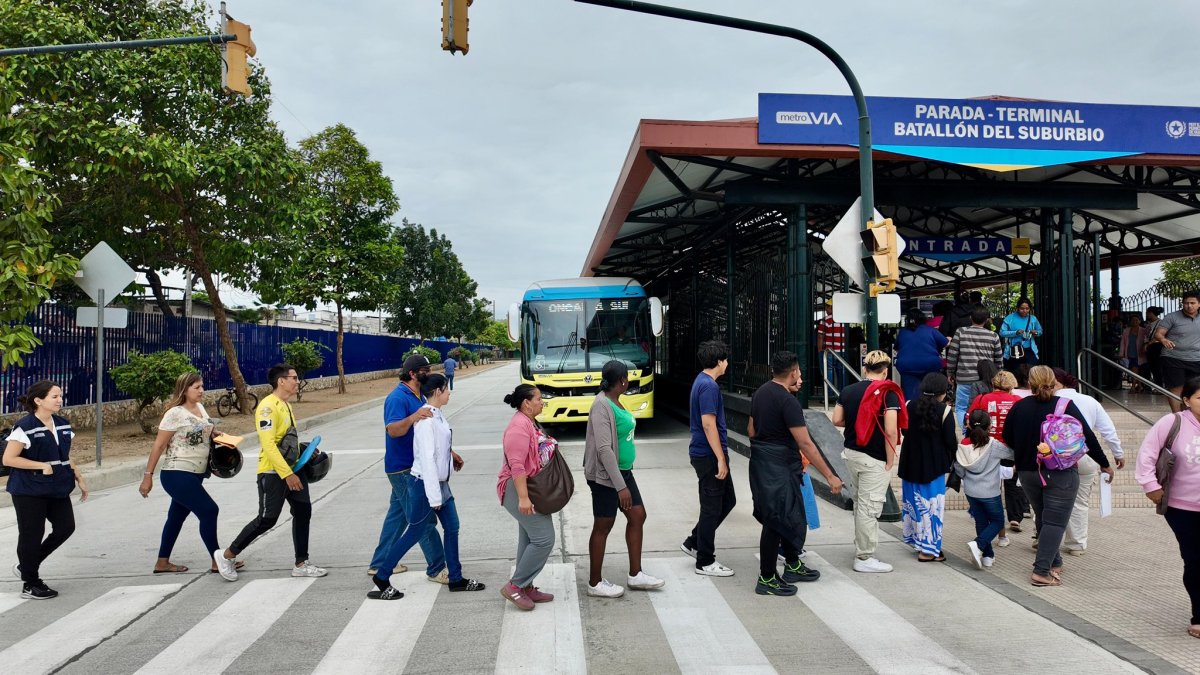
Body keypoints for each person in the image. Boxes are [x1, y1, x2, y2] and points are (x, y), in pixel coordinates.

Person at [369, 374, 483, 599]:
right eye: (447, 390)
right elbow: (428, 460)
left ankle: (456, 578)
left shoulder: (437, 415)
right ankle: (382, 576)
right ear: (438, 391)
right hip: (424, 485)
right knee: (415, 531)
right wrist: (434, 497)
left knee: (452, 527)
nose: (449, 394)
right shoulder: (426, 421)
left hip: (440, 484)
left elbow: (441, 451)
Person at [1002, 366, 1113, 587]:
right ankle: (1041, 571)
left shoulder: (1019, 406)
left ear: (1030, 384)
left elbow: (1007, 436)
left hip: (1029, 472)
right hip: (1060, 472)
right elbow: (1087, 438)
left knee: (1044, 517)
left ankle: (1055, 561)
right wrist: (1105, 464)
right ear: (1054, 383)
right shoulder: (1065, 406)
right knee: (1055, 522)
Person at [747, 351, 844, 596]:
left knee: (790, 515)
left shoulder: (761, 392)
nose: (800, 374)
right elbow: (806, 443)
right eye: (799, 371)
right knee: (775, 521)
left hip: (762, 463)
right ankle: (767, 578)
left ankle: (792, 563)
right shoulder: (788, 401)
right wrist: (830, 475)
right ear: (793, 372)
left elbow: (750, 429)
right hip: (780, 467)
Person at [217, 365, 327, 580]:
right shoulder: (267, 407)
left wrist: (305, 451)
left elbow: (285, 440)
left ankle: (301, 563)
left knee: (303, 512)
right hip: (273, 473)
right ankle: (227, 555)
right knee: (267, 519)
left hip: (294, 469)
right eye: (294, 378)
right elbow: (268, 445)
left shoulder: (285, 405)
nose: (297, 381)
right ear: (281, 381)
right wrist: (287, 474)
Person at [139, 373, 237, 578]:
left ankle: (162, 562)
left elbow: (204, 431)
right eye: (196, 387)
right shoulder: (175, 413)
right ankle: (217, 560)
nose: (201, 390)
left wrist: (216, 435)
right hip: (177, 472)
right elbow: (159, 445)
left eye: (202, 386)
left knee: (176, 517)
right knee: (210, 510)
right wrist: (148, 476)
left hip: (196, 473)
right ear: (184, 389)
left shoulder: (200, 408)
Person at [583, 360, 665, 598]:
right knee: (603, 526)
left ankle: (635, 574)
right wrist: (621, 487)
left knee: (638, 515)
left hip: (622, 472)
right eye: (627, 377)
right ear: (622, 380)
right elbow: (604, 450)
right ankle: (595, 582)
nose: (628, 380)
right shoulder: (601, 405)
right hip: (605, 477)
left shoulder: (616, 400)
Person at [367, 355, 450, 583]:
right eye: (424, 370)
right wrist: (413, 417)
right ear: (412, 373)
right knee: (423, 520)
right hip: (403, 468)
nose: (428, 372)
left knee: (398, 516)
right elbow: (393, 430)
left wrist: (450, 453)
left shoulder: (419, 394)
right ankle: (436, 568)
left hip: (413, 465)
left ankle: (380, 563)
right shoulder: (397, 398)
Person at [3, 381, 88, 599]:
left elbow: (64, 455)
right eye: (54, 396)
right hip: (28, 490)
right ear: (38, 400)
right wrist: (40, 465)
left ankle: (27, 564)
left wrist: (77, 474)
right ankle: (30, 583)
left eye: (60, 396)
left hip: (56, 487)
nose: (60, 400)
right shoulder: (25, 427)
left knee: (65, 527)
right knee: (32, 534)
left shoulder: (62, 424)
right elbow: (9, 459)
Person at [1136, 376, 1200, 639]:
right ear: (1186, 400)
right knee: (1196, 560)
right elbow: (1147, 455)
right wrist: (1151, 486)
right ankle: (1199, 615)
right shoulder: (1172, 423)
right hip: (1182, 507)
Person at [832, 350, 905, 573]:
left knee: (860, 504)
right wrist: (890, 460)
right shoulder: (887, 393)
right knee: (869, 508)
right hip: (874, 458)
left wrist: (858, 425)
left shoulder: (848, 390)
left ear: (865, 369)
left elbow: (836, 419)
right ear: (885, 371)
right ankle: (864, 557)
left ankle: (861, 548)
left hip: (851, 454)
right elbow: (891, 430)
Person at [1051, 368, 1126, 556]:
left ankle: (1041, 537)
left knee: (1049, 498)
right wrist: (1118, 453)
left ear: (1058, 383)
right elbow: (1108, 430)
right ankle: (1077, 544)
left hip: (1055, 457)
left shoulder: (1049, 401)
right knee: (1080, 501)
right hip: (1086, 455)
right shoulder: (1090, 401)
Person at [497, 384, 558, 610]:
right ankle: (515, 586)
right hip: (517, 488)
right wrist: (523, 498)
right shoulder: (518, 427)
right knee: (544, 539)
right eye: (539, 399)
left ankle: (526, 586)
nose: (542, 402)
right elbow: (517, 467)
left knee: (529, 538)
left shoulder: (528, 421)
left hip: (529, 488)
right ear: (526, 403)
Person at [680, 340, 738, 577]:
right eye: (725, 359)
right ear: (719, 361)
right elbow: (708, 423)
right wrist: (720, 459)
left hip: (706, 453)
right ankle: (705, 560)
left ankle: (694, 542)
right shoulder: (709, 387)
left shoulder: (701, 381)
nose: (727, 364)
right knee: (712, 507)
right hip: (708, 454)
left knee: (727, 500)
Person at [897, 373, 956, 562]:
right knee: (932, 507)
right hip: (934, 466)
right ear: (942, 392)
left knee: (913, 504)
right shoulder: (945, 411)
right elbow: (950, 442)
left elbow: (905, 430)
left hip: (910, 463)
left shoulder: (908, 406)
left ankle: (917, 542)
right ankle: (928, 550)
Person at [967, 370, 1027, 538]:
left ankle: (986, 514)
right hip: (1010, 447)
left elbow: (969, 420)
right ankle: (1015, 517)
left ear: (993, 385)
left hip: (986, 447)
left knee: (989, 483)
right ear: (1011, 387)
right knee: (1012, 482)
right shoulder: (1017, 401)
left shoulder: (981, 399)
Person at [954, 410, 1015, 571]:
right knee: (998, 521)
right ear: (990, 427)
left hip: (971, 490)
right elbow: (1012, 455)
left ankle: (988, 556)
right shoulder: (993, 445)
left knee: (981, 522)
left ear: (968, 424)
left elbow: (959, 471)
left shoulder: (963, 445)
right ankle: (978, 544)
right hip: (990, 492)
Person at [947, 306, 1003, 428]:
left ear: (970, 318)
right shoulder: (993, 336)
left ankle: (965, 433)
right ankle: (983, 432)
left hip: (964, 378)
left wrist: (950, 372)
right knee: (985, 406)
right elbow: (999, 360)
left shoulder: (960, 332)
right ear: (987, 320)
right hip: (986, 379)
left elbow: (952, 355)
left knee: (961, 407)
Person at [1155, 293, 1200, 413]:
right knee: (1176, 388)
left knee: (1194, 389)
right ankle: (1177, 416)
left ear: (1199, 304)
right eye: (1186, 303)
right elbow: (1158, 333)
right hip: (1173, 357)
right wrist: (1163, 339)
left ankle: (1192, 415)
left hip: (1196, 359)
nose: (1189, 306)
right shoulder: (1172, 317)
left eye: (1192, 303)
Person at [895, 307, 949, 402]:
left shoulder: (903, 332)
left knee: (910, 394)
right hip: (930, 365)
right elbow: (946, 343)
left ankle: (911, 411)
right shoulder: (931, 330)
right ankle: (929, 407)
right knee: (931, 391)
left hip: (908, 366)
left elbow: (897, 347)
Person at [999, 298, 1043, 375]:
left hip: (1029, 349)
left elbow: (1040, 331)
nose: (1024, 311)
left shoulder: (1033, 319)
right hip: (1015, 350)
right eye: (1022, 308)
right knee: (1016, 373)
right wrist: (1015, 332)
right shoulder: (1010, 318)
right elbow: (1002, 332)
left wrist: (1035, 332)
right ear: (1017, 308)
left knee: (1031, 373)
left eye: (1027, 308)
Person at [817, 301, 846, 391]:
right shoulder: (843, 319)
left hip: (830, 351)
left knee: (828, 371)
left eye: (827, 307)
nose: (826, 309)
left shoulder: (826, 320)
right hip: (842, 351)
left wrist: (819, 350)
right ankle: (842, 393)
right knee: (841, 372)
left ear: (831, 307)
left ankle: (829, 394)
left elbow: (820, 336)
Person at [1118, 315, 1149, 392]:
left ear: (1139, 321)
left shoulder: (1144, 330)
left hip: (1140, 353)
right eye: (1133, 320)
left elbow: (1146, 341)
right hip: (1130, 352)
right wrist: (1121, 353)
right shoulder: (1126, 331)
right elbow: (1123, 343)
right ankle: (1139, 386)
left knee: (1135, 370)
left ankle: (1133, 386)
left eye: (1136, 320)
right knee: (1134, 370)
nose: (1134, 322)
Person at [1145, 306, 1166, 390]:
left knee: (1157, 367)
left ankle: (1160, 387)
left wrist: (1149, 343)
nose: (1146, 315)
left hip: (1157, 346)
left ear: (1151, 313)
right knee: (1152, 367)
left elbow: (1160, 336)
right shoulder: (1149, 324)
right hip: (1150, 347)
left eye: (1147, 313)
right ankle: (1157, 386)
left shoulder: (1160, 323)